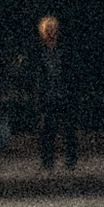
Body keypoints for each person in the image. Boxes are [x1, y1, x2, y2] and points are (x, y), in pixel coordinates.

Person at [29, 14, 80, 174]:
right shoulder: (38, 51)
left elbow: (72, 71)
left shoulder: (65, 48)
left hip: (64, 94)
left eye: (52, 28)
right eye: (47, 29)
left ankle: (71, 160)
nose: (50, 32)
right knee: (46, 131)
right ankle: (47, 161)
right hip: (47, 95)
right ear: (42, 32)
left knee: (69, 129)